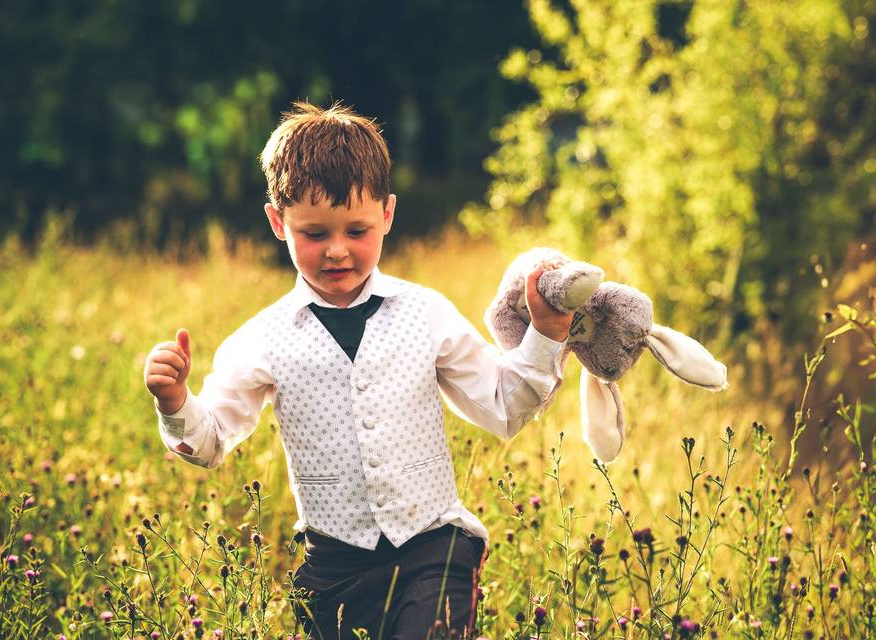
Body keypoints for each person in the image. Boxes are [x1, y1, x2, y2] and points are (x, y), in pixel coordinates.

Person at [143, 101, 573, 639]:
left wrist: (546, 334)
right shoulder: (261, 338)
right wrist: (175, 402)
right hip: (334, 568)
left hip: (432, 548)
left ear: (387, 215)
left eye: (357, 230)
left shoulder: (426, 312)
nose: (337, 251)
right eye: (314, 234)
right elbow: (208, 444)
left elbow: (505, 407)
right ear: (278, 222)